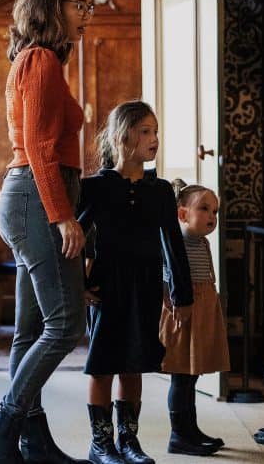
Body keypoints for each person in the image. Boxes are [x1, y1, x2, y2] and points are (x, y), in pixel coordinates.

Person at [0, 0, 95, 464]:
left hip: (30, 197)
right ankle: (1, 433)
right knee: (65, 325)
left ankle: (33, 441)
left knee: (29, 331)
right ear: (51, 6)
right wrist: (64, 216)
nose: (86, 14)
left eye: (89, 6)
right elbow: (41, 149)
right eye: (78, 5)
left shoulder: (38, 60)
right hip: (37, 198)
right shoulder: (40, 60)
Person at [77, 101, 194, 464]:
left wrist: (182, 294)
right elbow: (74, 238)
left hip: (145, 286)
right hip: (106, 286)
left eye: (155, 131)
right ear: (121, 136)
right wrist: (77, 285)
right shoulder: (95, 187)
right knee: (102, 364)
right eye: (145, 131)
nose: (154, 138)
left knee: (134, 362)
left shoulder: (160, 190)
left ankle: (129, 441)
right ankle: (101, 445)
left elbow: (173, 243)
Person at [159, 184, 231, 456]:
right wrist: (173, 303)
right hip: (183, 312)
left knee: (192, 375)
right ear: (182, 214)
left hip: (202, 310)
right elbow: (166, 276)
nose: (212, 216)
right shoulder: (175, 242)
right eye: (204, 209)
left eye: (215, 211)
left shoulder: (202, 242)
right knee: (181, 375)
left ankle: (191, 429)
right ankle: (179, 434)